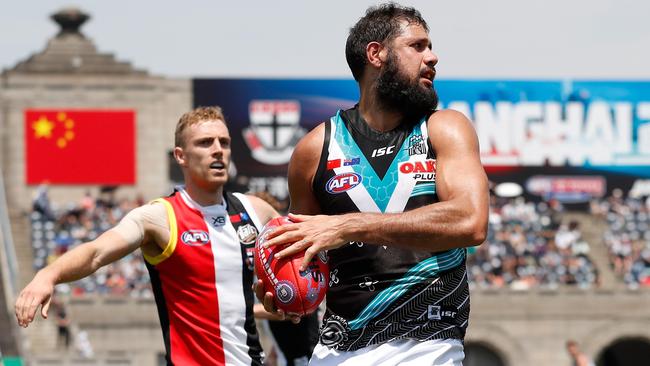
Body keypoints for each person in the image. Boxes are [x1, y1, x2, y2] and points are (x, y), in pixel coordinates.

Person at [256, 3, 489, 365]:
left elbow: (470, 221)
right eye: (418, 46)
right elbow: (301, 255)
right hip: (336, 351)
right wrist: (282, 288)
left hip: (428, 346)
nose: (433, 57)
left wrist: (349, 225)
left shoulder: (444, 128)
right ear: (376, 54)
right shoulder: (313, 149)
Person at [16, 106, 296, 366]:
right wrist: (48, 275)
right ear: (180, 156)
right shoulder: (159, 217)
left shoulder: (256, 211)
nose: (217, 150)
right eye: (205, 142)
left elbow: (302, 256)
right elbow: (96, 252)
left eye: (224, 142)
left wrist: (293, 299)